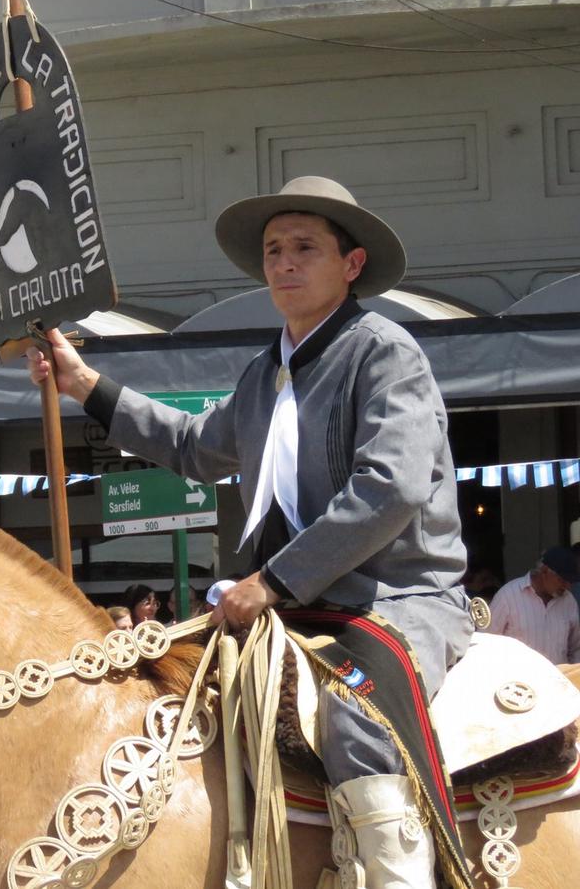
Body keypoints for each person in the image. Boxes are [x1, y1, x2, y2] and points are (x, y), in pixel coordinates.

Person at [28, 175, 473, 888]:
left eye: (305, 248)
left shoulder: (385, 353)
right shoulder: (266, 373)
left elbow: (389, 488)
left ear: (351, 265)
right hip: (292, 607)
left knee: (358, 722)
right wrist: (86, 385)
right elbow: (194, 446)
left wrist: (272, 581)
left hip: (395, 599)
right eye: (273, 251)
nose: (284, 263)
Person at [485, 547, 580, 665]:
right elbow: (486, 642)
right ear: (544, 571)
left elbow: (576, 648)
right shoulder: (508, 596)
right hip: (520, 681)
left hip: (558, 680)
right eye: (562, 580)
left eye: (570, 582)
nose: (567, 586)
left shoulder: (568, 601)